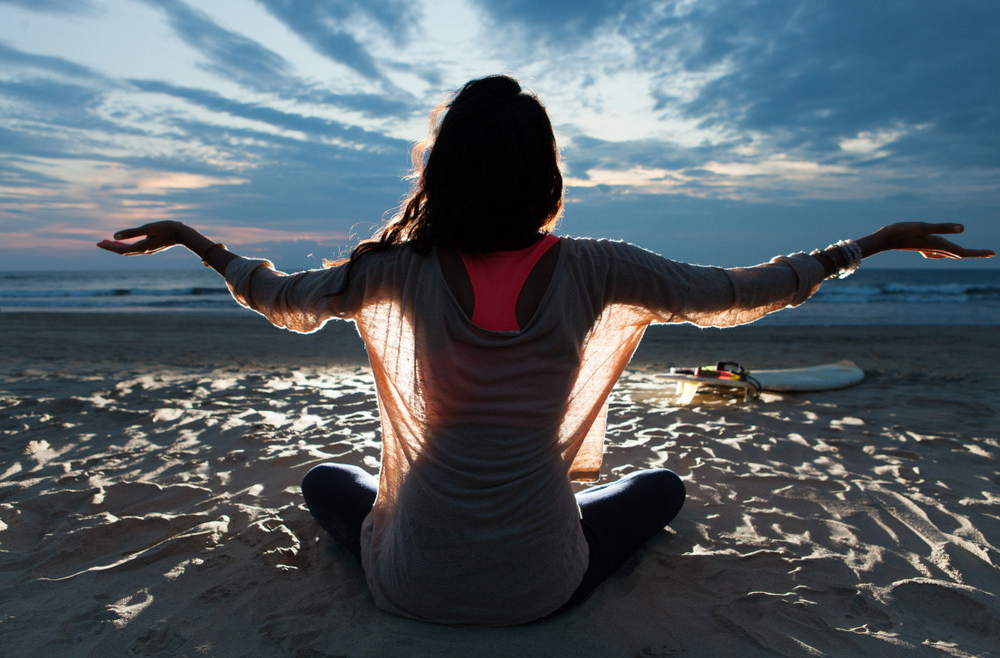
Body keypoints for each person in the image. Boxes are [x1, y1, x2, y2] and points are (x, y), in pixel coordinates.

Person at [98, 75, 994, 625]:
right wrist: (866, 243)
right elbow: (741, 292)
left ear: (442, 174)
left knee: (324, 481)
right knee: (661, 487)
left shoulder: (396, 270)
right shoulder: (598, 267)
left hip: (405, 582)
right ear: (546, 178)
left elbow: (278, 297)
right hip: (540, 585)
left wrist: (194, 239)